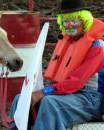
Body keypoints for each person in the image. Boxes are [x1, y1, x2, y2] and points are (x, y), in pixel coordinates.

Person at [8, 0, 104, 129]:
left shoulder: (97, 47)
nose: (69, 25)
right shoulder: (66, 44)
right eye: (65, 21)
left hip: (90, 98)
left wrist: (43, 92)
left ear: (85, 21)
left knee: (50, 103)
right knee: (21, 99)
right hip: (65, 93)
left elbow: (76, 81)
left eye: (74, 20)